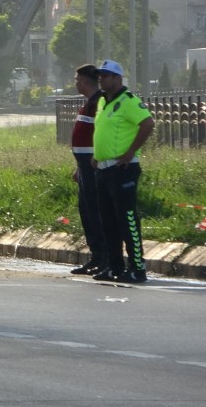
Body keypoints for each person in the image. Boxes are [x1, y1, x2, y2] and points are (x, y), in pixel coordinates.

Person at [91, 59, 154, 283]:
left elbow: (148, 123)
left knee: (127, 219)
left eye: (106, 75)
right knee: (107, 220)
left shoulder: (128, 101)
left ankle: (137, 267)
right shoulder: (102, 102)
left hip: (122, 169)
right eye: (100, 75)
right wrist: (96, 156)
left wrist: (130, 152)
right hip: (104, 169)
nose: (101, 79)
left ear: (117, 79)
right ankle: (114, 265)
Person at [68, 64, 106, 275]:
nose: (75, 84)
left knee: (95, 210)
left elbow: (101, 134)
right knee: (86, 211)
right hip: (84, 167)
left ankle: (104, 256)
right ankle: (96, 256)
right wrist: (78, 167)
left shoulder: (99, 102)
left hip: (94, 166)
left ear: (84, 81)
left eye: (76, 80)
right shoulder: (89, 103)